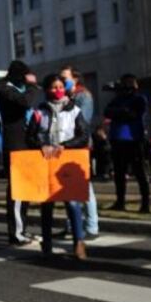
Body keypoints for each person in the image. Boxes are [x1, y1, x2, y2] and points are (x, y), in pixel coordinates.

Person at [27, 74, 90, 260]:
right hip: (45, 162)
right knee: (46, 204)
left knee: (72, 203)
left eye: (60, 86)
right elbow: (30, 137)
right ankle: (47, 243)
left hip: (67, 161)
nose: (57, 90)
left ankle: (79, 242)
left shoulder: (75, 110)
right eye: (53, 87)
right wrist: (41, 145)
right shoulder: (39, 112)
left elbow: (84, 135)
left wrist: (66, 145)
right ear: (47, 90)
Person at [0, 60, 36, 245]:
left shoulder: (14, 88)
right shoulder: (5, 89)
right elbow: (25, 102)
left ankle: (22, 229)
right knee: (18, 191)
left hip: (24, 144)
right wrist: (32, 85)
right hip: (15, 145)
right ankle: (16, 233)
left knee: (24, 190)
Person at [60, 66, 99, 239]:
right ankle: (72, 225)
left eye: (64, 78)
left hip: (80, 145)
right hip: (66, 145)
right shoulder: (67, 97)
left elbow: (84, 121)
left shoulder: (84, 96)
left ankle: (92, 226)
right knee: (67, 188)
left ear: (75, 78)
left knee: (84, 187)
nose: (61, 82)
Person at [104, 73, 150, 213]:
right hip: (118, 139)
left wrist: (121, 112)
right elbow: (108, 112)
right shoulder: (118, 99)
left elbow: (134, 114)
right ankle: (120, 201)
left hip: (134, 139)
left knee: (140, 172)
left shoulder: (139, 99)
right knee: (119, 173)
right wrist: (122, 112)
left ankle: (145, 204)